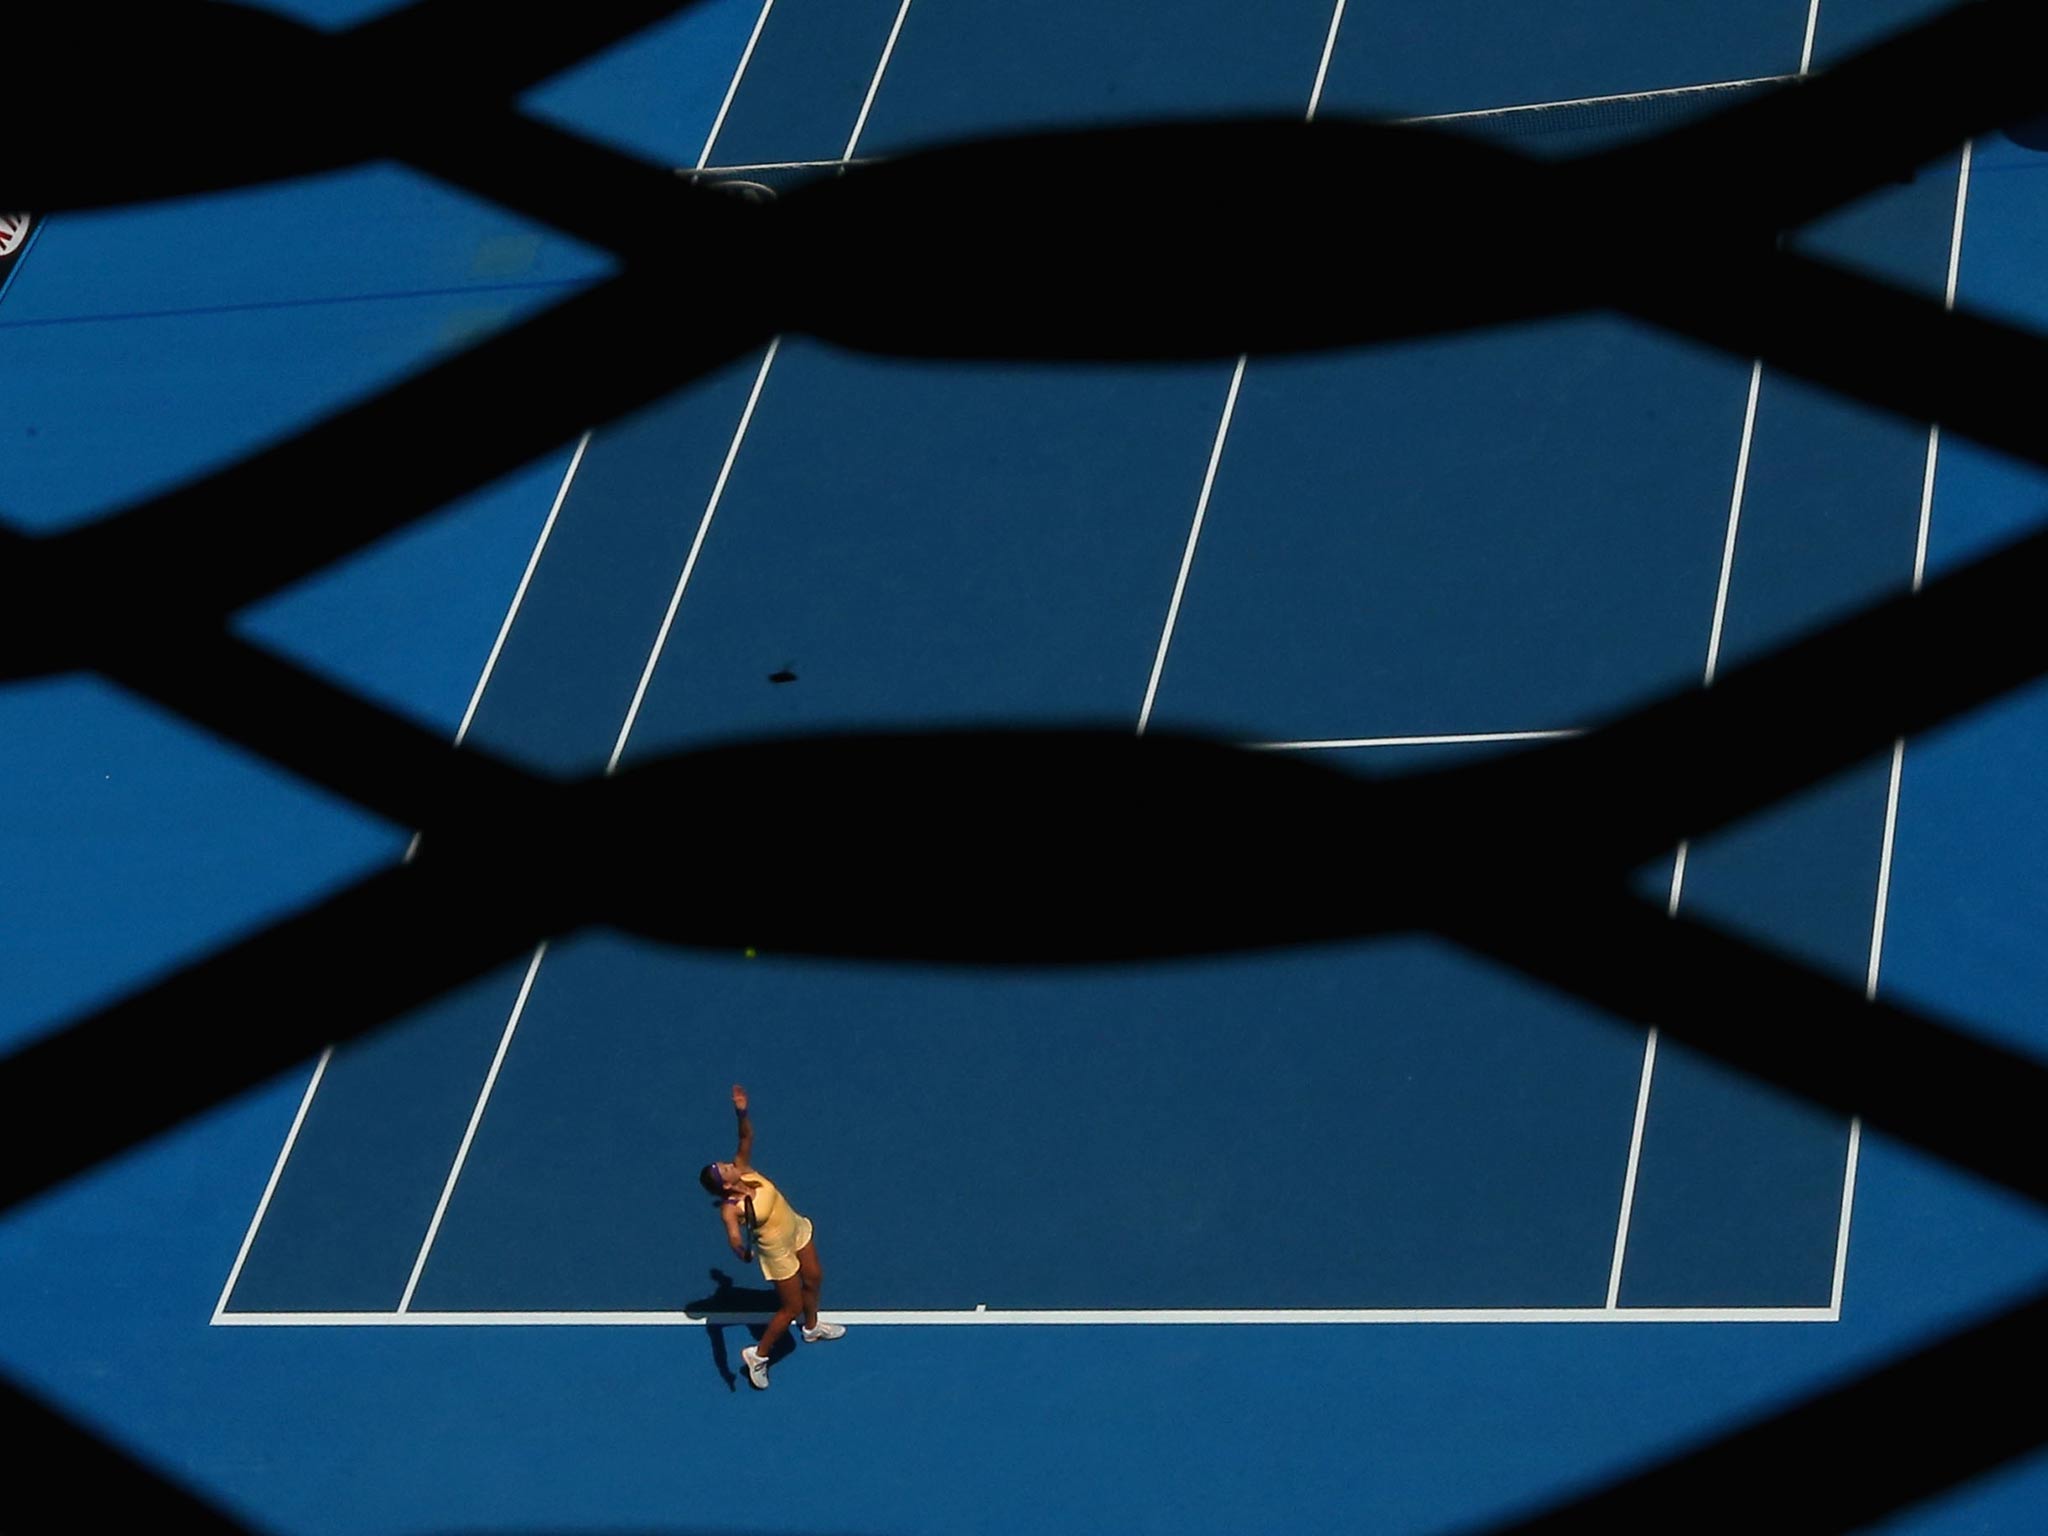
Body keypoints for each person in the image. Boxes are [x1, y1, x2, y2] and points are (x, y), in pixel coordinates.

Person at [700, 1083, 842, 1389]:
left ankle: (812, 1327)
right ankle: (759, 1355)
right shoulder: (731, 1209)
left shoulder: (744, 1168)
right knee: (790, 1308)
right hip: (776, 1250)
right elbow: (734, 1239)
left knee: (815, 1277)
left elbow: (746, 1136)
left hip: (794, 1227)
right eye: (725, 1169)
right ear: (725, 1186)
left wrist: (741, 1112)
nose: (730, 1165)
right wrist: (742, 1253)